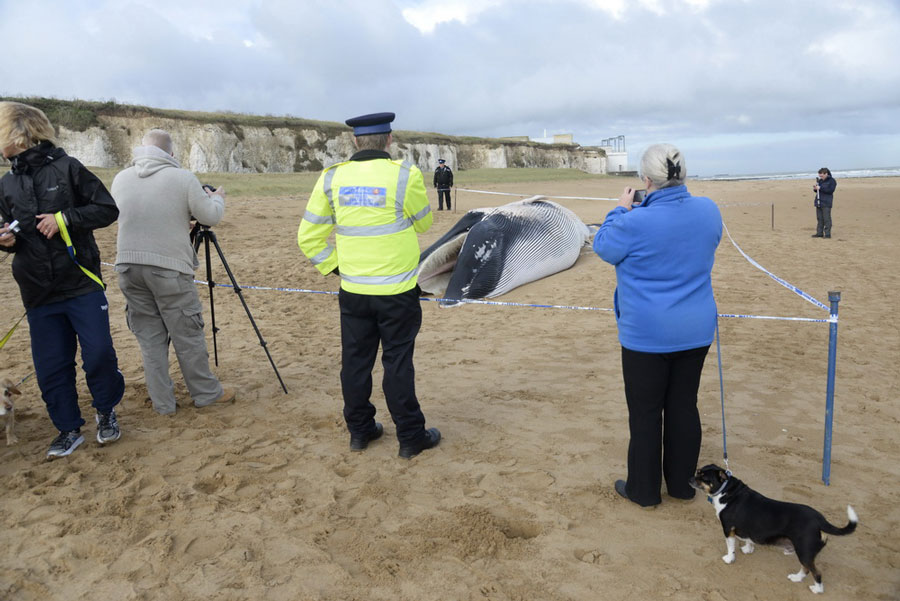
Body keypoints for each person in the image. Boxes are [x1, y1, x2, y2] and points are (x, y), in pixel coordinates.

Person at [297, 112, 440, 459]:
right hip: (398, 292)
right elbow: (424, 224)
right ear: (389, 141)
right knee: (398, 363)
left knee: (356, 362)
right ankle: (410, 436)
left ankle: (360, 431)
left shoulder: (332, 178)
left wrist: (336, 267)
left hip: (355, 291)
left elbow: (308, 237)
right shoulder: (405, 175)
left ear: (355, 141)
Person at [593, 143, 722, 507]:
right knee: (684, 405)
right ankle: (681, 485)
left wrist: (620, 207)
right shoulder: (708, 211)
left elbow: (603, 246)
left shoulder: (633, 221)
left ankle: (644, 491)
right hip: (695, 328)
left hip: (646, 335)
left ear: (646, 180)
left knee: (647, 413)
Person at [0, 101, 125, 458]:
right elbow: (14, 234)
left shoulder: (69, 168)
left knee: (99, 354)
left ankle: (105, 410)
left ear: (20, 133)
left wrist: (64, 219)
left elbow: (107, 208)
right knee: (51, 367)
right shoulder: (6, 184)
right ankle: (68, 428)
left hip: (81, 282)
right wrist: (5, 240)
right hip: (37, 292)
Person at [111, 129, 235, 415]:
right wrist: (216, 198)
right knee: (187, 334)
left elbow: (137, 212)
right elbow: (210, 216)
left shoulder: (121, 178)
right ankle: (206, 393)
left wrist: (177, 222)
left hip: (128, 267)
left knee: (150, 339)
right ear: (171, 154)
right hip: (169, 269)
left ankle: (162, 403)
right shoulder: (181, 178)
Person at [812, 167, 837, 238]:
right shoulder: (820, 181)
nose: (820, 177)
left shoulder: (832, 181)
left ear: (826, 174)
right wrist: (815, 189)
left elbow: (830, 190)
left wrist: (820, 188)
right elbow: (818, 191)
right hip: (819, 202)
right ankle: (819, 233)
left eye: (822, 175)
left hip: (826, 202)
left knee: (827, 219)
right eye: (820, 175)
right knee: (819, 218)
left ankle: (827, 234)